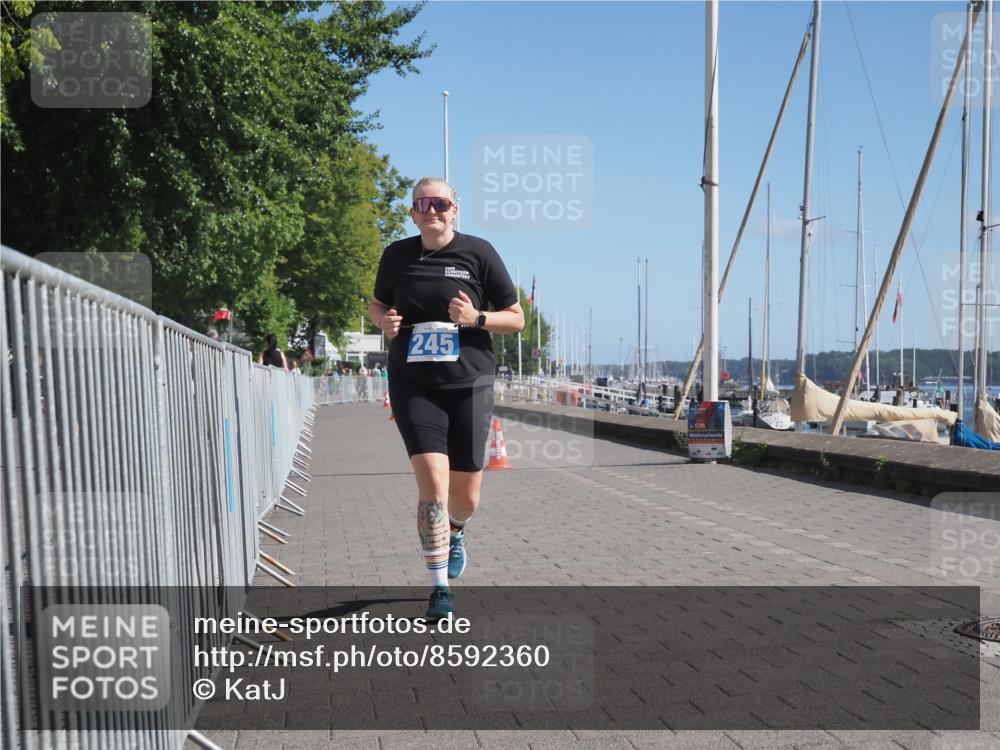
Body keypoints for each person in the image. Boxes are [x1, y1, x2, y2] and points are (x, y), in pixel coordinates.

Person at [368, 177, 524, 621]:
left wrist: (477, 317)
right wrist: (385, 322)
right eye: (423, 204)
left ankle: (456, 531)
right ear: (413, 213)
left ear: (455, 209)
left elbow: (517, 320)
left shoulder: (479, 252)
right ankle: (439, 590)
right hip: (414, 384)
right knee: (433, 488)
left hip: (469, 383)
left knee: (465, 498)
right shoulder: (396, 255)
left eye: (441, 203)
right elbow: (375, 304)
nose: (432, 210)